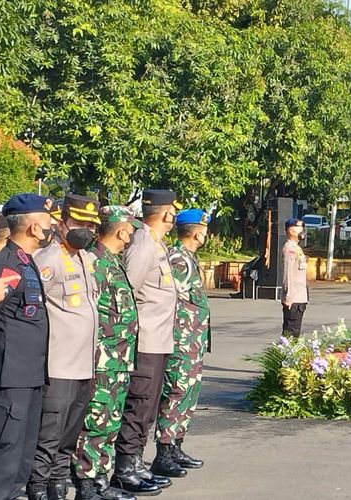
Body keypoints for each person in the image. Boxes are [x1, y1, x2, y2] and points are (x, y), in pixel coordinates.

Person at [71, 206, 147, 500]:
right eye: (130, 228)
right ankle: (86, 484)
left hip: (118, 359)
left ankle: (100, 479)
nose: (131, 234)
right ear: (120, 229)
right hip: (103, 360)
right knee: (96, 421)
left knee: (110, 421)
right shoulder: (95, 264)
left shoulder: (111, 262)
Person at [112, 190, 185, 493]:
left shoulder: (155, 242)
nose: (173, 217)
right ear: (167, 213)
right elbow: (129, 289)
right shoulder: (143, 242)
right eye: (172, 211)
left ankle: (137, 461)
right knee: (139, 403)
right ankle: (125, 467)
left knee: (148, 406)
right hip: (144, 340)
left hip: (158, 340)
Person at [28, 194, 100, 500]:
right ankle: (38, 486)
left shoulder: (85, 257)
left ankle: (58, 482)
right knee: (50, 431)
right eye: (78, 222)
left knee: (70, 432)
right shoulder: (48, 260)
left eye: (89, 224)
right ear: (62, 222)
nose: (83, 229)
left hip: (84, 362)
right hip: (59, 363)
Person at [0, 194, 52, 500]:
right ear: (32, 227)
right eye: (47, 221)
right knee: (4, 460)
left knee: (22, 459)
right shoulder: (3, 264)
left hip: (30, 375)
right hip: (9, 378)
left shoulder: (25, 261)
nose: (52, 225)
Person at [154, 209, 211, 474]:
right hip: (181, 338)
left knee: (188, 393)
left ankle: (176, 445)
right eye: (204, 228)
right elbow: (171, 300)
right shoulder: (178, 258)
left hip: (192, 339)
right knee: (176, 392)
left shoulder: (188, 257)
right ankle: (164, 452)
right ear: (198, 232)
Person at [281, 218, 308, 337]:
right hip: (293, 298)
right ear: (291, 231)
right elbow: (288, 274)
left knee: (295, 332)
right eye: (299, 229)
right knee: (291, 333)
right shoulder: (290, 249)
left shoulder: (297, 248)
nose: (302, 231)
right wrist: (288, 296)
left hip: (300, 297)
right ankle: (284, 355)